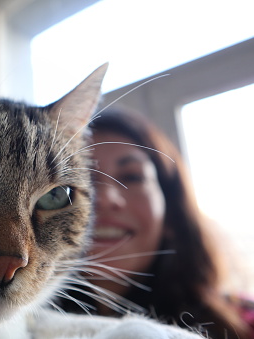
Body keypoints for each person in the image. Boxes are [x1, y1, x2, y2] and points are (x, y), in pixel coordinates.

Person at [58, 110, 254, 338]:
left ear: (171, 211)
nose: (104, 198)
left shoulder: (245, 323)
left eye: (131, 176)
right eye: (82, 177)